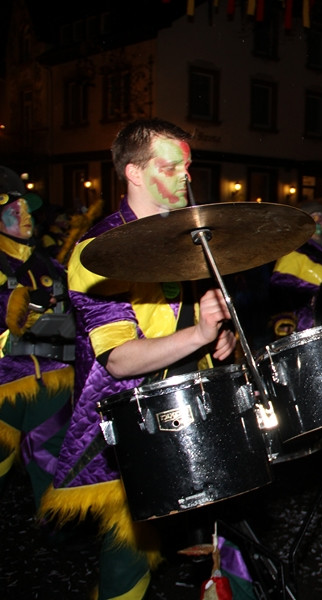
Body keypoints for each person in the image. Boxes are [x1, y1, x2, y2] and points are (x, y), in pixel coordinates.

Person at [40, 118, 237, 599]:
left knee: (227, 549)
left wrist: (217, 339)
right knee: (129, 564)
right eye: (170, 167)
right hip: (131, 426)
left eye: (188, 166)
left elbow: (192, 323)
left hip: (197, 407)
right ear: (132, 172)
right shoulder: (97, 252)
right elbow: (121, 360)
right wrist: (199, 333)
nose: (185, 177)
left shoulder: (189, 235)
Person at [0, 187, 74, 511]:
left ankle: (57, 526)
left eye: (27, 209)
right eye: (14, 210)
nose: (25, 216)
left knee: (48, 455)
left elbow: (74, 308)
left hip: (52, 374)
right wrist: (27, 303)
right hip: (4, 381)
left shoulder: (48, 265)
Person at [269, 201, 322, 337]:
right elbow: (279, 287)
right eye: (314, 218)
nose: (319, 221)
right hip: (308, 325)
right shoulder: (296, 251)